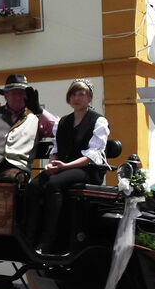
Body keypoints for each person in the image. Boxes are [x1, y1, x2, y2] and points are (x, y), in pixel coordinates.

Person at [30, 78, 109, 253]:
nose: (77, 98)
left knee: (53, 184)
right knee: (34, 186)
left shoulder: (98, 121)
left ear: (89, 98)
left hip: (85, 170)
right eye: (73, 94)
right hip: (61, 167)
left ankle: (48, 239)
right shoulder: (62, 122)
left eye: (82, 94)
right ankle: (30, 234)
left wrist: (64, 167)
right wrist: (52, 165)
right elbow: (55, 149)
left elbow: (92, 155)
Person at [0, 74, 58, 181]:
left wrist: (39, 110)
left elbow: (59, 129)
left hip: (17, 168)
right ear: (5, 95)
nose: (19, 97)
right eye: (14, 93)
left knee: (8, 178)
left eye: (22, 93)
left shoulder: (36, 117)